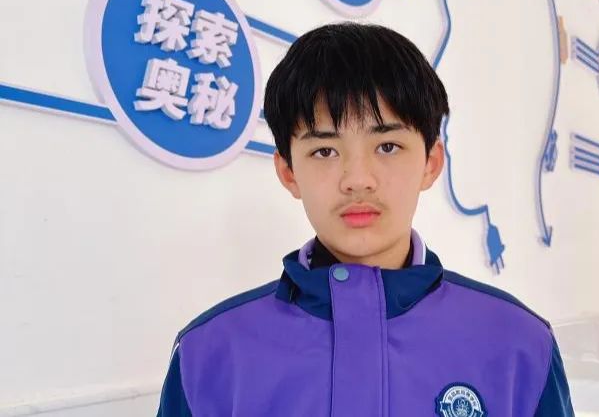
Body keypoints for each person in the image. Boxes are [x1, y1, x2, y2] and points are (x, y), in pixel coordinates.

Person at [156, 22, 574, 417]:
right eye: (325, 151)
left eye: (388, 146)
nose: (358, 180)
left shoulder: (519, 344)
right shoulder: (208, 353)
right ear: (288, 172)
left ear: (431, 163)